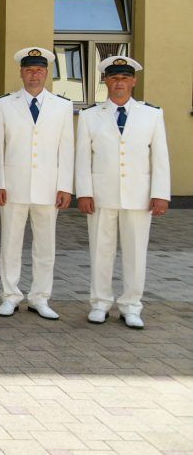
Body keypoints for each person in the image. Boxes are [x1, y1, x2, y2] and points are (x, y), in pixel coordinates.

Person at [76, 56, 169, 330]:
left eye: (124, 78)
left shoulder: (152, 114)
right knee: (100, 251)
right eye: (114, 78)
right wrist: (84, 192)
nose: (119, 83)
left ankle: (131, 306)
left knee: (136, 253)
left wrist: (161, 193)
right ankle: (100, 304)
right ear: (105, 81)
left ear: (134, 81)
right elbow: (82, 158)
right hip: (101, 195)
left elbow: (160, 157)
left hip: (139, 195)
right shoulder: (90, 116)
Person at [0, 47, 74, 320]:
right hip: (13, 186)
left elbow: (67, 149)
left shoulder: (62, 106)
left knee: (45, 246)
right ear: (21, 73)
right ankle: (10, 296)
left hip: (48, 187)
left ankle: (40, 297)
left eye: (39, 70)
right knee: (10, 244)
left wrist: (65, 186)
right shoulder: (4, 105)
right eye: (29, 70)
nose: (34, 75)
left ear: (47, 73)